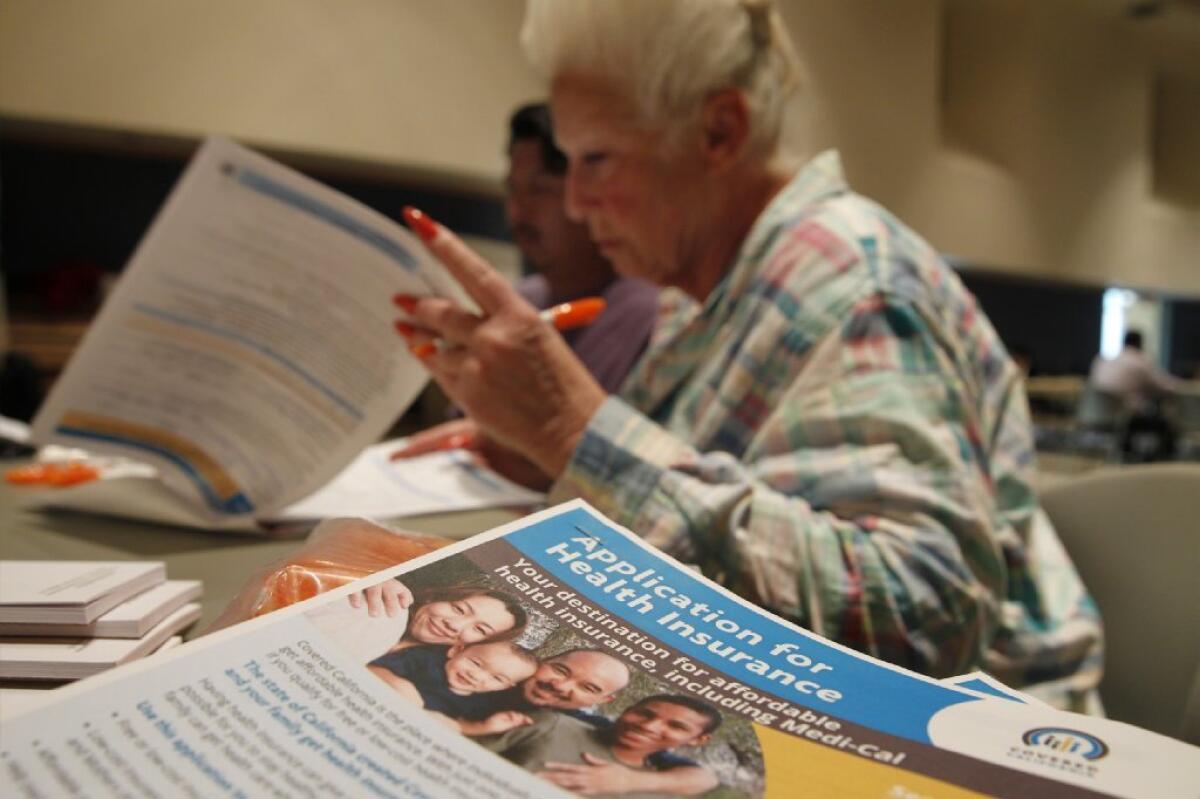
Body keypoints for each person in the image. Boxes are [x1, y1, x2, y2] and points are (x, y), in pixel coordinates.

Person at [391, 0, 1101, 711]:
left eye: (597, 158)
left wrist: (571, 433)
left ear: (718, 131)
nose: (576, 202)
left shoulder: (854, 281)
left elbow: (926, 620)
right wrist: (539, 450)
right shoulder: (691, 288)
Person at [507, 102, 660, 395]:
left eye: (540, 190)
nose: (518, 210)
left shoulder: (647, 315)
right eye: (512, 189)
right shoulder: (518, 301)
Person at [471, 648, 718, 796]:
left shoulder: (573, 725)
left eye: (588, 687)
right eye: (561, 670)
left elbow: (702, 778)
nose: (560, 685)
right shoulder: (476, 671)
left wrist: (631, 780)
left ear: (603, 699)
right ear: (543, 659)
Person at [492, 694, 722, 799]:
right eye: (644, 714)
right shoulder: (556, 724)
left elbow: (705, 779)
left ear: (698, 740)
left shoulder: (664, 782)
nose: (649, 726)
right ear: (628, 709)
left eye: (676, 726)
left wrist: (630, 781)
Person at [305, 580, 527, 663]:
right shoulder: (383, 610)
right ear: (435, 597)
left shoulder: (426, 674)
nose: (455, 625)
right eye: (458, 608)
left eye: (479, 629)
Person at [368, 640, 538, 722]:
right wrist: (400, 685)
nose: (476, 676)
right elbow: (374, 667)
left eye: (497, 678)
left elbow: (460, 727)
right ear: (456, 651)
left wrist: (484, 728)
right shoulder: (424, 661)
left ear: (505, 687)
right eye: (476, 663)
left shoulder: (480, 705)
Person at [1088, 329, 1185, 413]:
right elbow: (1163, 385)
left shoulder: (1103, 361)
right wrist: (1182, 385)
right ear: (1140, 344)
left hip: (1096, 413)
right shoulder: (1139, 362)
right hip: (1127, 414)